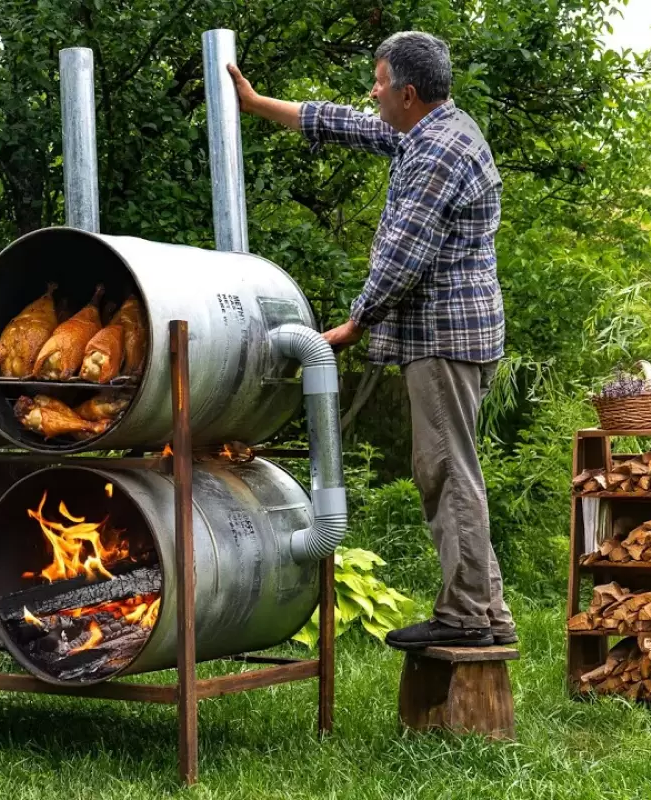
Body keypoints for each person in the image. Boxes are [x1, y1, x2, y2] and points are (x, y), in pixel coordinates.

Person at [229, 31, 515, 649]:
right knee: (452, 468)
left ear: (408, 93)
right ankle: (486, 612)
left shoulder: (437, 152)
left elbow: (403, 256)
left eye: (380, 83)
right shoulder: (434, 128)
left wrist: (355, 322)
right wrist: (257, 105)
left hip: (442, 338)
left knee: (444, 471)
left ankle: (467, 617)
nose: (373, 92)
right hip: (453, 336)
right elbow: (346, 124)